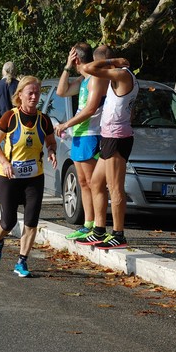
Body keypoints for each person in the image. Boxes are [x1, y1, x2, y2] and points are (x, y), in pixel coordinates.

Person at [0, 75, 57, 277]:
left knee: (31, 222)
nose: (35, 97)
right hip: (9, 177)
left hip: (34, 177)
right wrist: (5, 162)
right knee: (8, 222)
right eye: (31, 93)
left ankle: (22, 261)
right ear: (20, 95)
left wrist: (52, 152)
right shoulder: (9, 117)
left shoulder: (44, 120)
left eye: (37, 93)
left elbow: (51, 143)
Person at [76, 50, 138, 249]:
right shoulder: (117, 79)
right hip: (109, 136)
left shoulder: (121, 74)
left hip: (117, 138)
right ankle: (99, 230)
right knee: (96, 182)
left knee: (115, 187)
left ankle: (118, 234)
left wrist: (112, 61)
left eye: (100, 63)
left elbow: (88, 68)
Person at [54, 43, 111, 240]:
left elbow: (90, 109)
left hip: (91, 134)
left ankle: (98, 227)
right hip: (78, 135)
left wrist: (65, 124)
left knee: (94, 183)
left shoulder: (96, 79)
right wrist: (66, 68)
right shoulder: (83, 78)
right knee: (83, 182)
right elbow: (61, 92)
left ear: (76, 58)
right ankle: (88, 224)